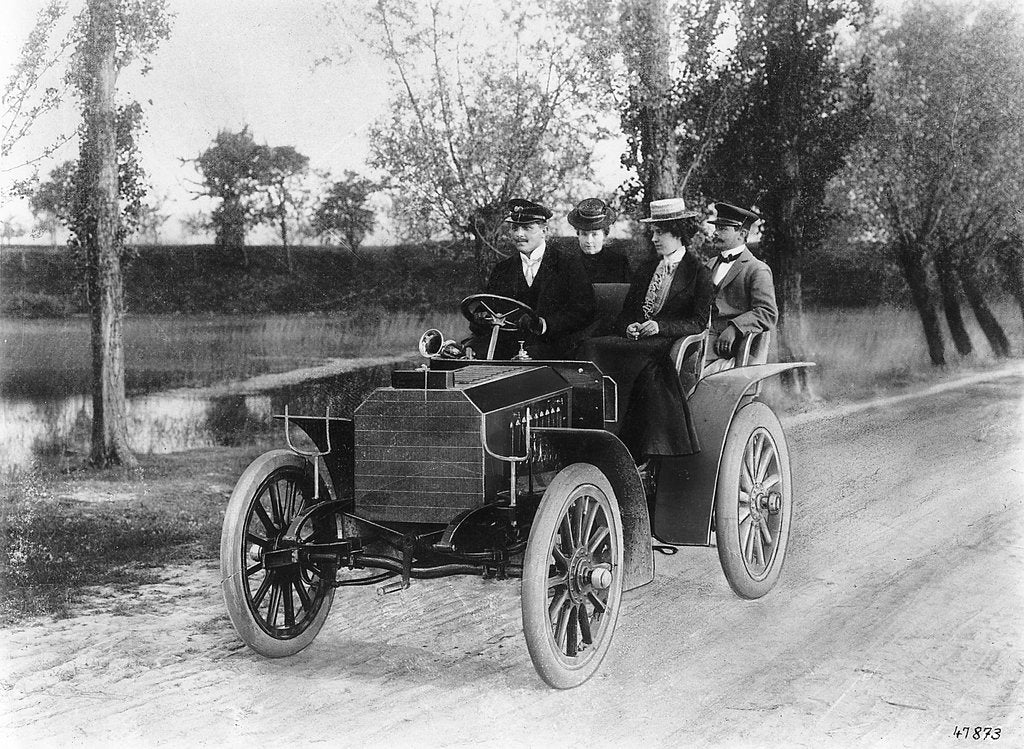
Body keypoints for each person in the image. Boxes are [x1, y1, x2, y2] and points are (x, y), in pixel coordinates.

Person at [584, 197, 714, 460]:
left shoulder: (698, 273)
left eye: (661, 232)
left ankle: (636, 447)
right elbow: (625, 315)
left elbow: (699, 322)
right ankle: (596, 432)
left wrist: (660, 326)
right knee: (592, 348)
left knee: (642, 366)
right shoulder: (645, 269)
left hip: (668, 343)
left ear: (678, 233)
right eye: (653, 232)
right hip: (636, 341)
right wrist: (628, 326)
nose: (654, 238)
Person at [468, 198, 595, 360]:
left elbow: (583, 310)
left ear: (544, 231)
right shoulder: (503, 269)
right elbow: (488, 307)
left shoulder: (568, 265)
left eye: (527, 228)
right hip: (507, 346)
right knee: (464, 354)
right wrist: (480, 317)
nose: (519, 234)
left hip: (553, 346)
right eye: (515, 228)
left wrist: (544, 323)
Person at [704, 202, 778, 372]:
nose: (715, 233)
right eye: (716, 228)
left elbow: (767, 312)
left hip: (728, 347)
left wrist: (735, 327)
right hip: (702, 338)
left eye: (723, 229)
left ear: (742, 234)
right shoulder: (710, 264)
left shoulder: (756, 269)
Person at [567, 197, 630, 284]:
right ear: (578, 234)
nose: (589, 240)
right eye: (584, 234)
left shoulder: (618, 263)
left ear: (604, 235)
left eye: (594, 234)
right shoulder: (567, 263)